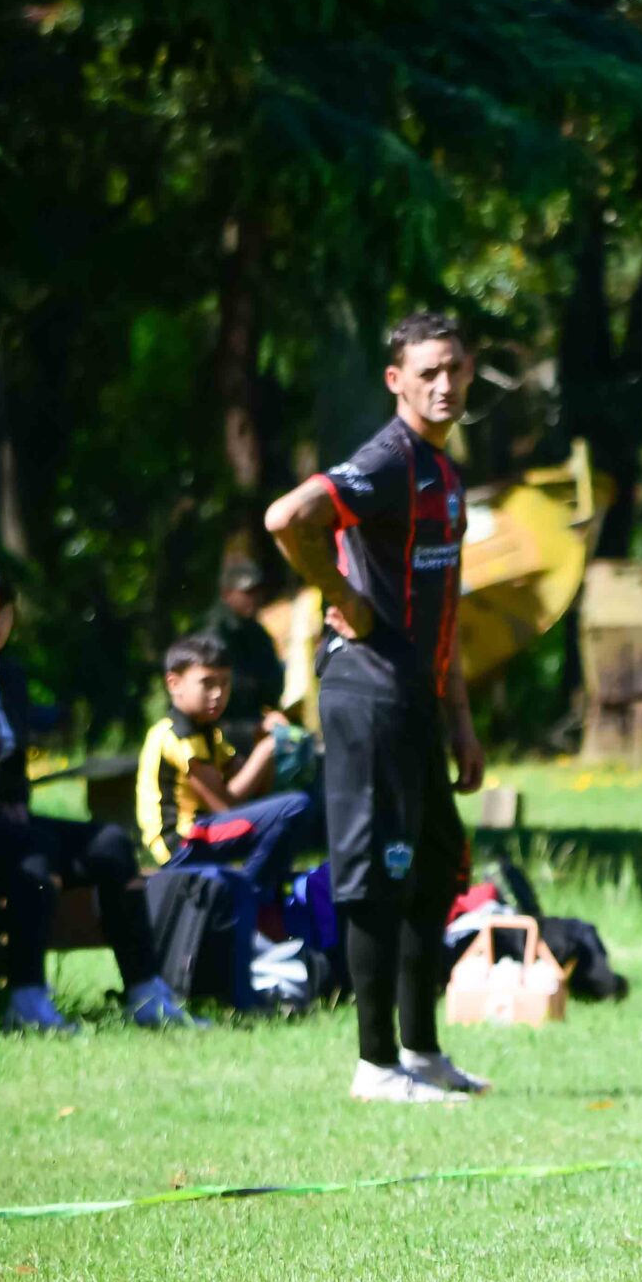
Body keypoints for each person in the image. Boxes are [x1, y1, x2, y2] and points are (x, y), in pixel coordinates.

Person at [264, 310, 490, 1104]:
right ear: (396, 380)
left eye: (454, 368)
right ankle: (375, 1064)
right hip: (366, 691)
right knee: (375, 871)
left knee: (435, 862)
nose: (443, 384)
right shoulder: (389, 459)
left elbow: (445, 611)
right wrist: (342, 595)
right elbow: (287, 518)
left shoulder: (445, 473)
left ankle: (421, 1052)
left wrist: (460, 720)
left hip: (416, 697)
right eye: (427, 372)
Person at [0, 558, 202, 1033]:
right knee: (34, 851)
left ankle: (146, 992)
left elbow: (11, 760)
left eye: (2, 609)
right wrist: (5, 823)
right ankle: (26, 999)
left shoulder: (7, 675)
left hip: (2, 819)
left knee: (112, 844)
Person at [135, 632, 318, 901]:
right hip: (182, 843)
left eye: (225, 683)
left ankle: (261, 896)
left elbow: (253, 790)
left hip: (203, 833)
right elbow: (224, 806)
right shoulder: (177, 736)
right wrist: (265, 752)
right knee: (294, 807)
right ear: (174, 684)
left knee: (291, 811)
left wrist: (268, 743)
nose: (218, 694)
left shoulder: (210, 733)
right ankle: (246, 896)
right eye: (207, 683)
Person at [201, 562, 291, 748]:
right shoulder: (212, 635)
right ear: (226, 594)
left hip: (255, 723)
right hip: (221, 730)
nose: (254, 598)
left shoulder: (258, 633)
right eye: (247, 592)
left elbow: (273, 685)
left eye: (257, 592)